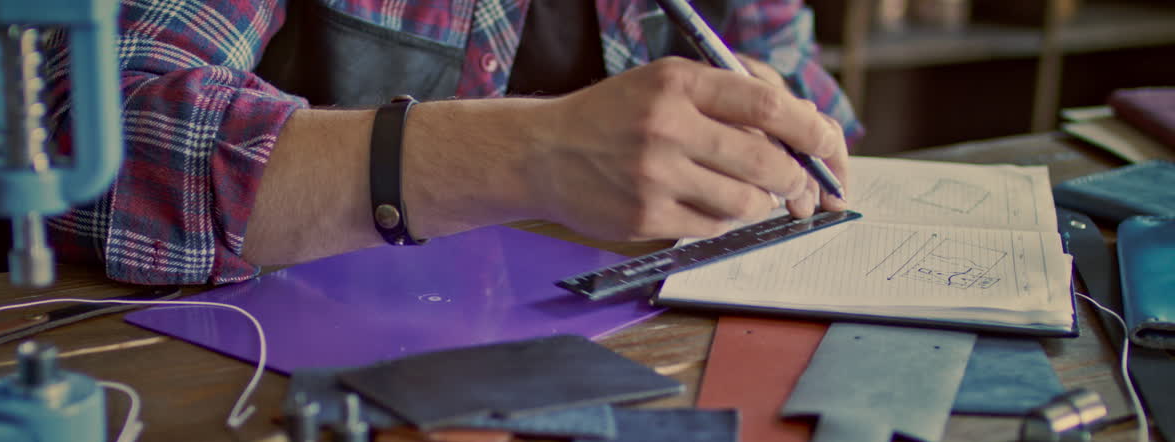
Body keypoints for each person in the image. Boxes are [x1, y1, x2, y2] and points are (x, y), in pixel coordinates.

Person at [44, 0, 862, 286]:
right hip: (294, 393)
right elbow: (89, 139)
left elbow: (819, 108)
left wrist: (760, 109)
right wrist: (530, 153)